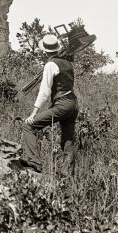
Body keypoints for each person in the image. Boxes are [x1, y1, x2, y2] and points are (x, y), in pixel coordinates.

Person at [20, 34, 79, 176]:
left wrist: (34, 113)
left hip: (62, 104)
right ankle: (67, 175)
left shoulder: (50, 64)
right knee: (68, 140)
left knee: (28, 125)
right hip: (73, 104)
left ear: (44, 51)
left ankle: (34, 162)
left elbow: (44, 91)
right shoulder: (68, 63)